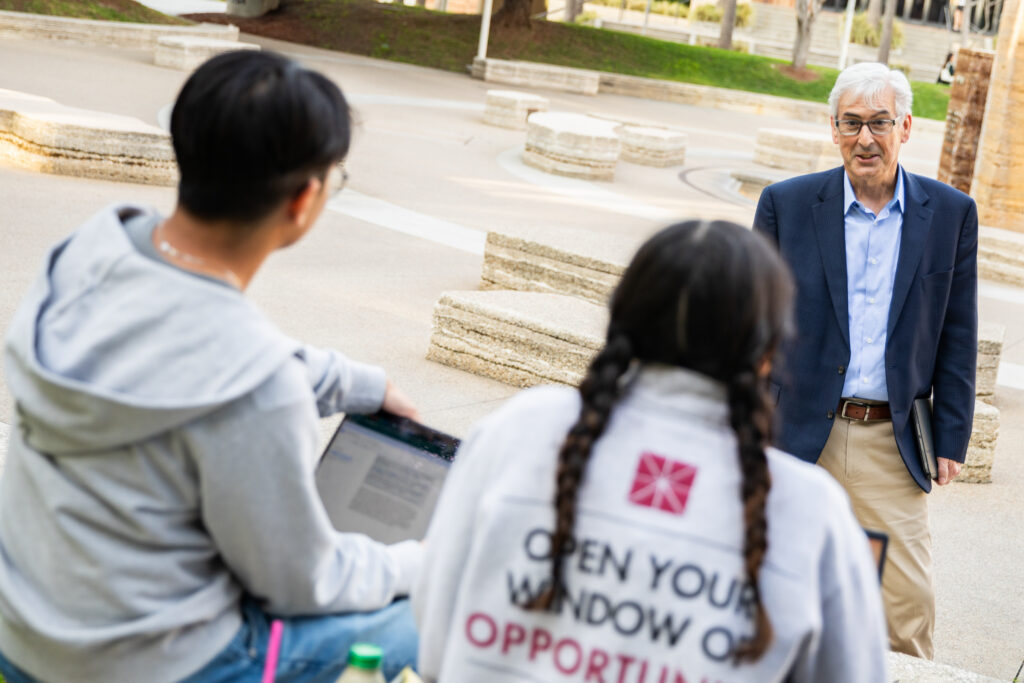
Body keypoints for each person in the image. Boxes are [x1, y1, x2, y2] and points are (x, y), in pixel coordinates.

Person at [0, 51, 423, 683]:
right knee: (434, 613)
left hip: (25, 628)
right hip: (157, 665)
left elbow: (185, 343)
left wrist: (354, 383)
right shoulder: (260, 391)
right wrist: (421, 562)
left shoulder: (93, 251)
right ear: (305, 198)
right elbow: (301, 582)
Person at [413, 220, 888, 682]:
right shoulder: (812, 512)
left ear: (620, 319)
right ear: (766, 354)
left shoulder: (518, 429)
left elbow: (433, 645)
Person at [753, 62, 978, 659]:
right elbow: (754, 324)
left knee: (905, 610)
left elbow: (958, 328)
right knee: (772, 589)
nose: (865, 138)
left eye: (879, 123)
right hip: (797, 431)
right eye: (851, 123)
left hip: (889, 437)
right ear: (833, 129)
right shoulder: (787, 205)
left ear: (906, 126)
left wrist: (952, 432)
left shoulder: (950, 214)